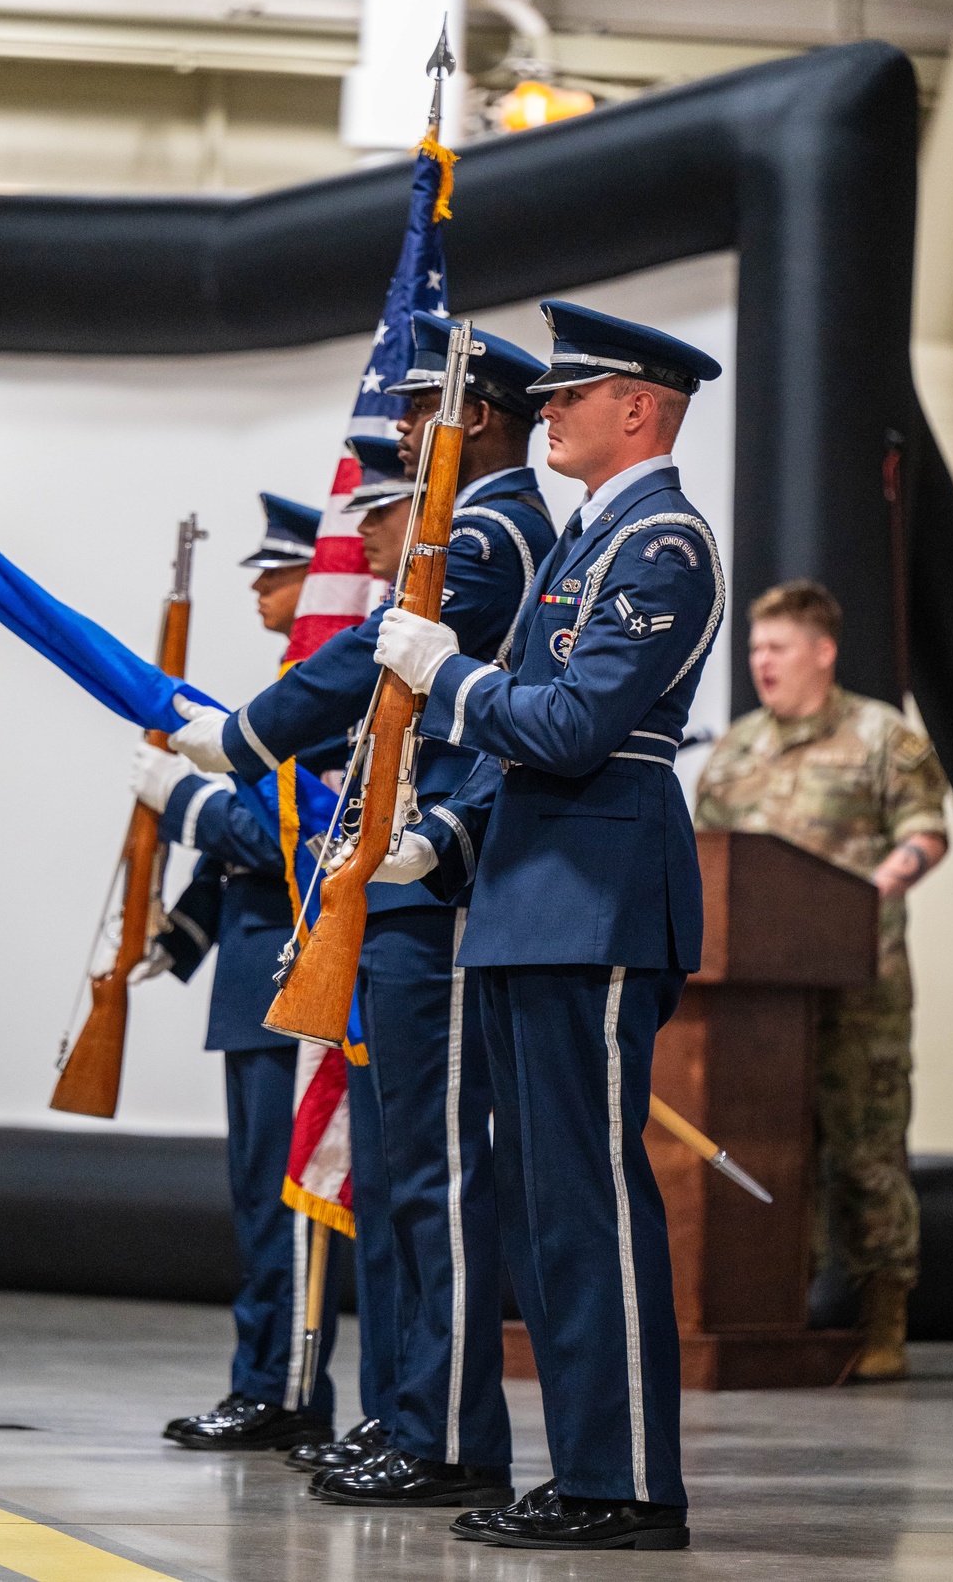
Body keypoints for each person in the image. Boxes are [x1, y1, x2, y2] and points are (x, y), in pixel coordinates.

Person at [166, 321, 558, 1510]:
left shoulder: (489, 532)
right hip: (398, 879)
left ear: (473, 415)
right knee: (396, 1179)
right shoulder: (488, 529)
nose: (399, 439)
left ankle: (443, 1434)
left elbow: (375, 676)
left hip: (433, 881)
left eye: (418, 416)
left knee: (429, 1177)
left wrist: (242, 737)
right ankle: (408, 1413)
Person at [368, 299, 725, 1551]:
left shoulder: (663, 542)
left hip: (598, 897)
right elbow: (532, 750)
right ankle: (586, 1471)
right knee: (540, 1203)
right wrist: (447, 841)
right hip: (532, 894)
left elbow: (574, 730)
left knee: (587, 1198)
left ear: (641, 408)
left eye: (575, 393)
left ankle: (625, 1484)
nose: (550, 410)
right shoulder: (588, 539)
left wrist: (444, 676)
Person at [131, 492, 351, 1451]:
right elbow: (241, 865)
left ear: (319, 578)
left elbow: (281, 837)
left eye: (278, 571)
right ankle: (264, 1379)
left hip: (292, 985)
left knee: (287, 1204)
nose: (261, 586)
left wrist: (185, 803)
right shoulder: (285, 691)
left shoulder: (323, 697)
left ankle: (287, 1391)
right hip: (252, 984)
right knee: (256, 1204)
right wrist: (177, 937)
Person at [694, 580, 948, 1381]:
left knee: (866, 1150)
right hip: (758, 1001)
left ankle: (883, 1320)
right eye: (755, 648)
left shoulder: (882, 736)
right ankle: (778, 1310)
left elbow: (925, 835)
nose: (762, 662)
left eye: (777, 647)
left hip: (858, 986)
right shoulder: (734, 749)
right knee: (772, 1149)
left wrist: (857, 899)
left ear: (822, 652)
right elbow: (707, 859)